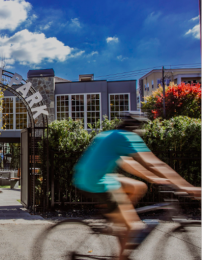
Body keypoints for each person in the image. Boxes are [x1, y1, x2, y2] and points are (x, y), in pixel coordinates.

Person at [72, 111, 200, 259]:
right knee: (134, 227)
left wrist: (153, 179)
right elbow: (154, 163)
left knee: (138, 187)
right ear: (136, 128)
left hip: (88, 178)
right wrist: (185, 187)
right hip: (98, 183)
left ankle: (117, 219)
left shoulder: (113, 135)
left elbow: (128, 164)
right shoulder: (126, 136)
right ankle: (123, 244)